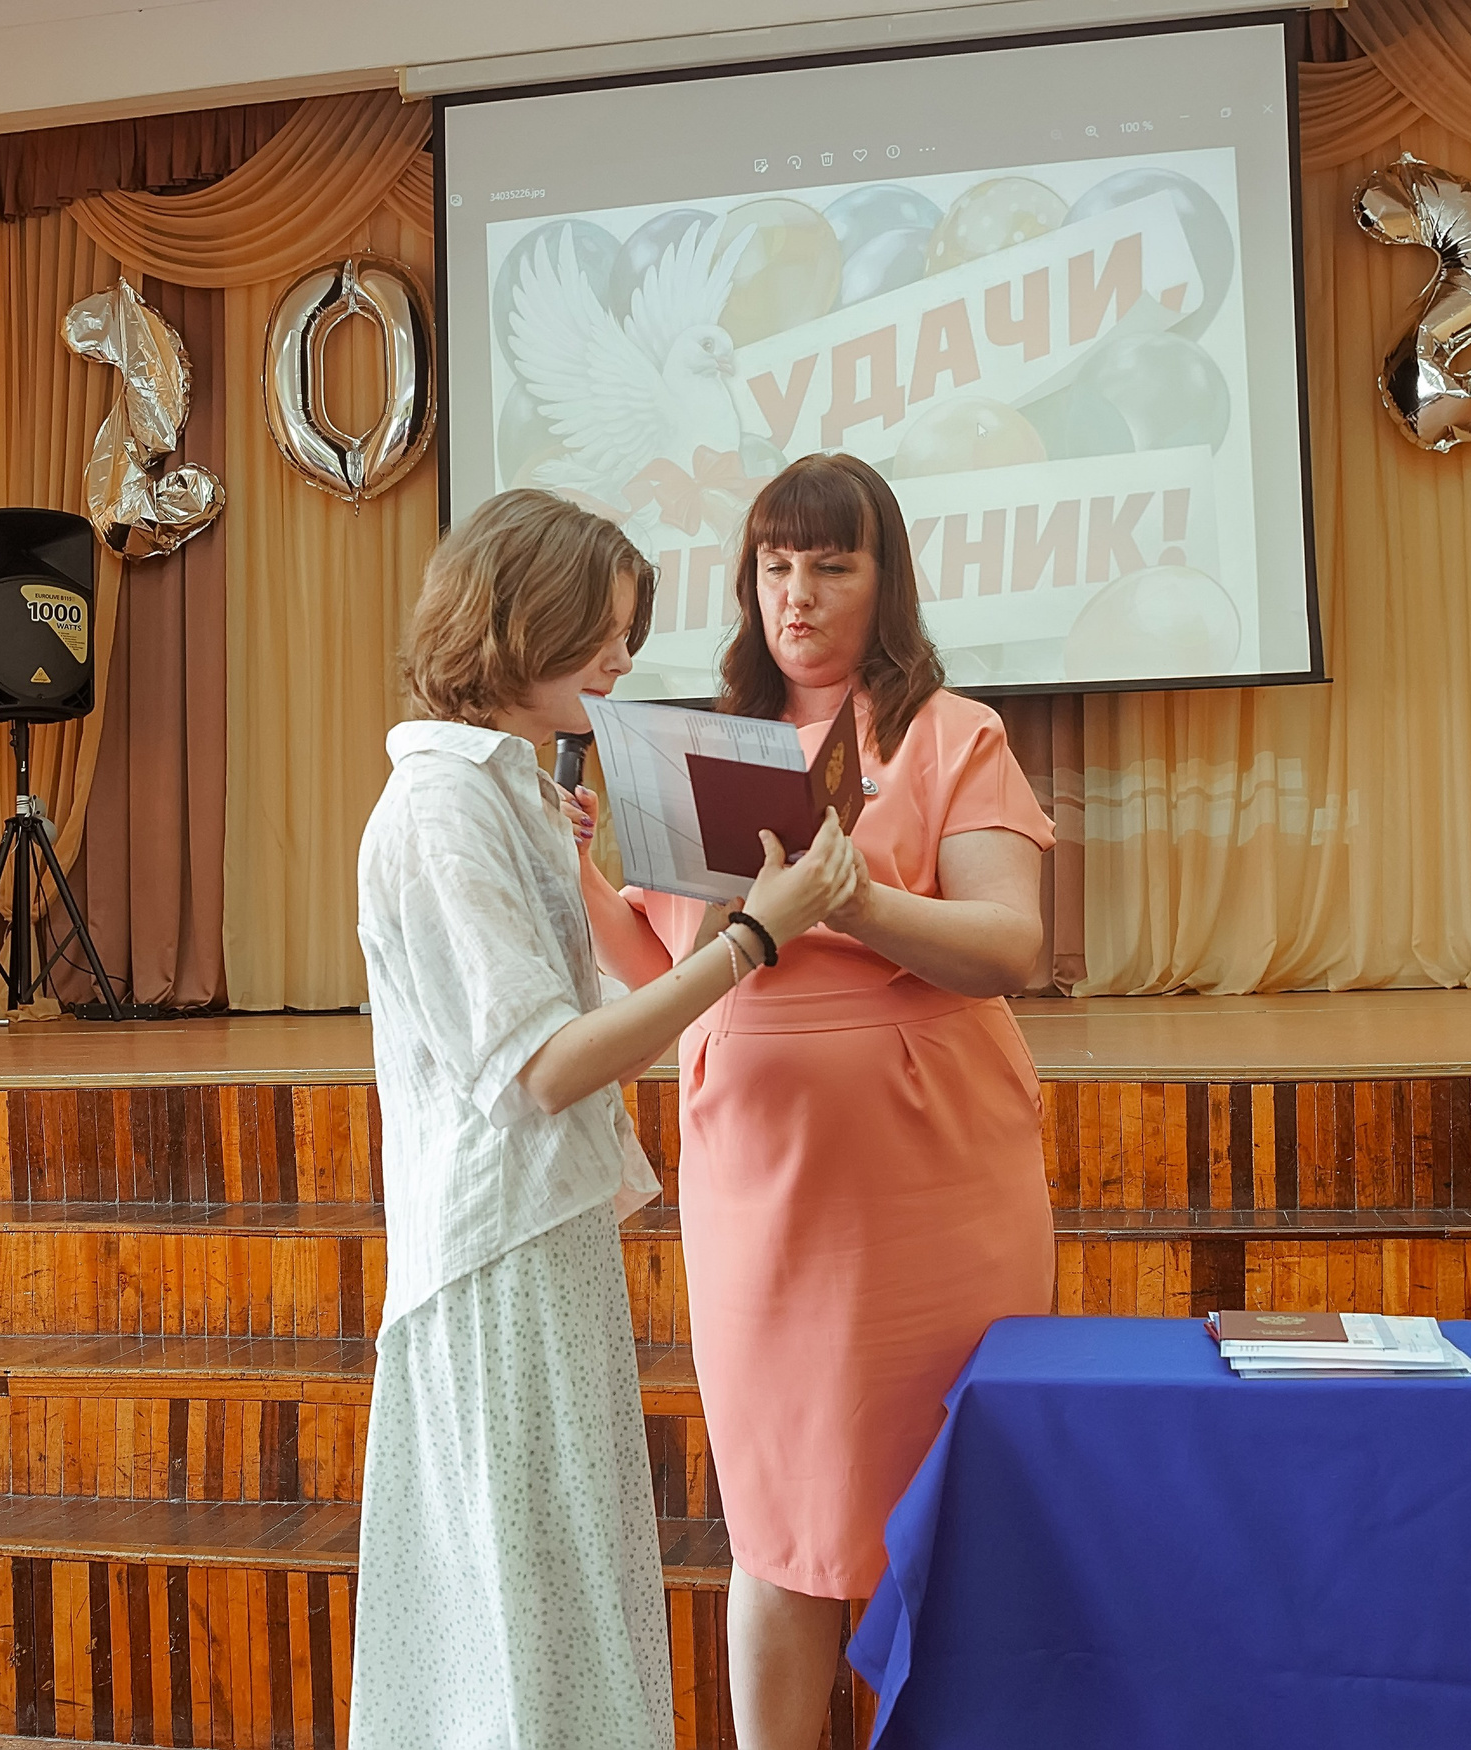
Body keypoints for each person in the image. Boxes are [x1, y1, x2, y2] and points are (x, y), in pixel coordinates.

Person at [348, 488, 864, 1750]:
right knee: (520, 1613)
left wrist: (576, 872)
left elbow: (609, 995)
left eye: (626, 632)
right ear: (518, 621)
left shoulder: (505, 792)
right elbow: (544, 1068)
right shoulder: (437, 807)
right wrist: (752, 936)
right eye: (600, 632)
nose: (623, 661)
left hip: (543, 1231)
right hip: (494, 1252)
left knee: (570, 1598)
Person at [572, 453, 1058, 1749]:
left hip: (935, 1168)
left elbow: (1010, 947)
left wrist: (856, 897)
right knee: (777, 1513)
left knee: (943, 1511)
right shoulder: (696, 741)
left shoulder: (952, 732)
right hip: (760, 1175)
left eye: (830, 562)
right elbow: (666, 967)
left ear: (883, 578)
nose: (799, 590)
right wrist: (581, 876)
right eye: (777, 563)